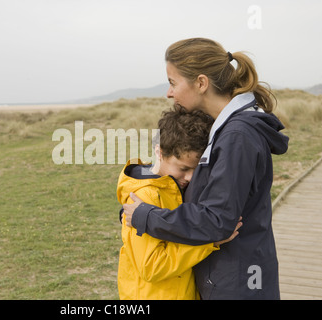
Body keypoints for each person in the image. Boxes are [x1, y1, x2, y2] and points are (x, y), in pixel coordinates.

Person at [123, 38, 289, 300]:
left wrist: (145, 216)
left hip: (238, 285)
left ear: (201, 83)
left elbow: (218, 221)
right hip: (230, 276)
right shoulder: (226, 129)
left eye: (172, 82)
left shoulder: (237, 136)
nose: (169, 93)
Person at [117, 105, 241, 300]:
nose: (190, 177)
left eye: (196, 170)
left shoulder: (175, 186)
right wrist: (209, 242)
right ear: (160, 152)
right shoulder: (144, 196)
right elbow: (152, 267)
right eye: (184, 168)